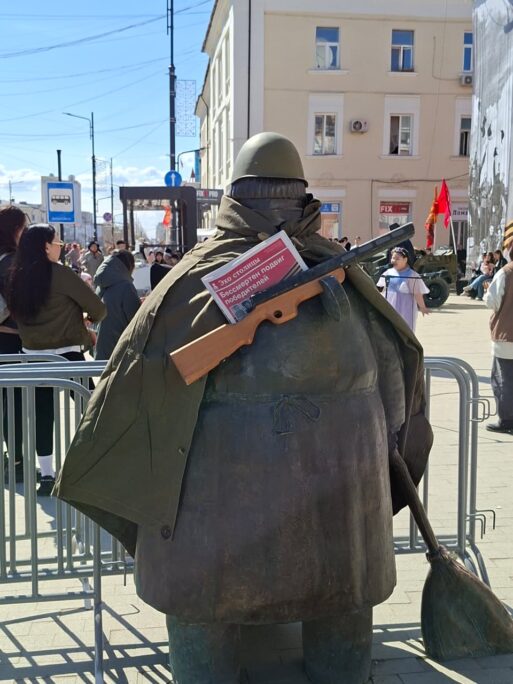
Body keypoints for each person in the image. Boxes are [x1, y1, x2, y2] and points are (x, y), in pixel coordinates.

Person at [55, 133, 432, 684]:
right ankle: (339, 662)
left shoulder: (187, 282)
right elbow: (400, 381)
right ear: (303, 195)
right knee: (341, 629)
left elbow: (136, 378)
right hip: (342, 517)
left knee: (203, 633)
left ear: (235, 196)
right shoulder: (342, 277)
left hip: (208, 530)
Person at [7, 224, 106, 495]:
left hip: (32, 355)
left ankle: (47, 474)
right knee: (93, 408)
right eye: (58, 243)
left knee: (43, 415)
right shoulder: (60, 274)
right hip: (68, 353)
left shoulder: (18, 276)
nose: (61, 247)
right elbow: (98, 308)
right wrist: (87, 320)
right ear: (45, 246)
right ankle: (99, 465)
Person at [0, 206, 27, 482]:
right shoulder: (12, 262)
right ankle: (16, 462)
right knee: (13, 404)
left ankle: (12, 459)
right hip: (10, 338)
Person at [484, 222, 513, 435]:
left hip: (507, 334)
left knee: (504, 378)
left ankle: (507, 420)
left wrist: (486, 292)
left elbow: (492, 301)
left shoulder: (506, 272)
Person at [94, 250, 141, 360]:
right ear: (128, 266)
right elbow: (137, 320)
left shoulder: (101, 285)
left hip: (101, 351)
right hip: (120, 353)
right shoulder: (126, 286)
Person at [377, 247, 429, 331]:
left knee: (405, 329)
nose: (394, 261)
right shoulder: (387, 273)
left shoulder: (411, 275)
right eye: (393, 258)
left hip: (406, 308)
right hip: (390, 307)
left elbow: (417, 293)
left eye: (397, 259)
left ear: (405, 260)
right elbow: (381, 290)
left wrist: (422, 307)